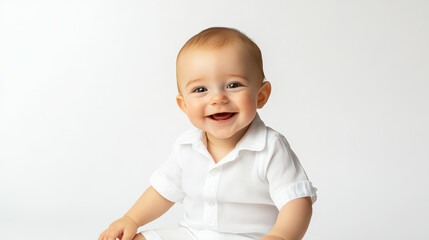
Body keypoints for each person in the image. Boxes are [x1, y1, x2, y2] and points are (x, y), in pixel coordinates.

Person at [98, 26, 318, 240]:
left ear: (261, 95)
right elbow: (162, 191)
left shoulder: (270, 147)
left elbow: (296, 201)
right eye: (200, 89)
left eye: (233, 85)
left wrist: (281, 235)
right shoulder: (186, 146)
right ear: (183, 105)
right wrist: (131, 218)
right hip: (193, 234)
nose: (217, 98)